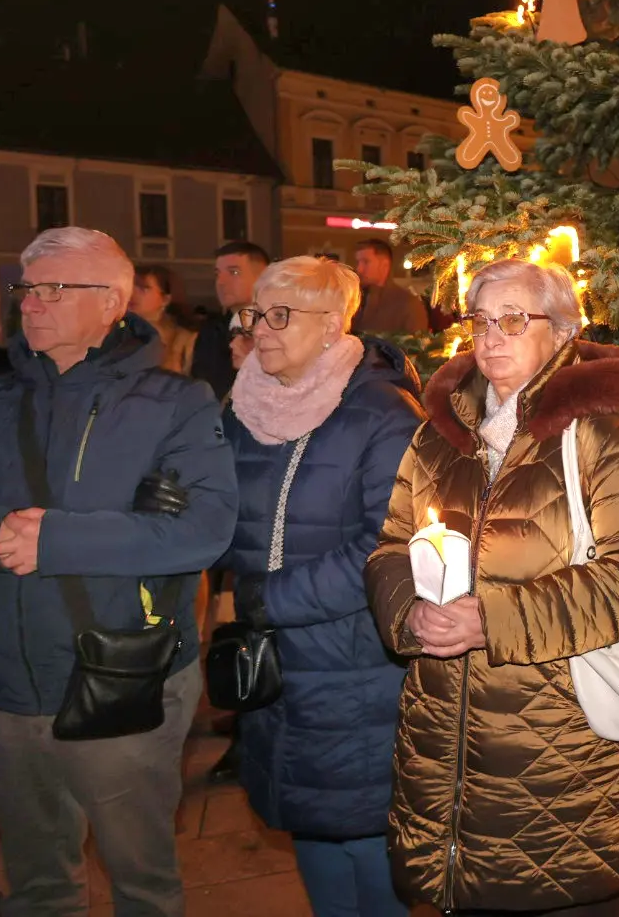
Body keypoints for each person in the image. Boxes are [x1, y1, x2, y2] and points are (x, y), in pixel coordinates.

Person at [0, 226, 240, 917]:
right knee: (38, 886)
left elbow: (204, 530)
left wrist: (54, 540)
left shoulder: (176, 403)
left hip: (117, 682)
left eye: (56, 288)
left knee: (142, 885)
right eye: (27, 288)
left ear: (112, 303)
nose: (31, 302)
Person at [364, 257, 619, 915]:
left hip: (563, 758)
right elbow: (390, 544)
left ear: (562, 332)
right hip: (442, 750)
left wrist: (493, 620)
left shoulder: (601, 436)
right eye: (481, 320)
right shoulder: (439, 436)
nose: (491, 336)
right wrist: (408, 613)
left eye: (513, 320)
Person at [223, 256, 422, 916]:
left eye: (281, 315)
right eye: (255, 314)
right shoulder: (243, 406)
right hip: (277, 665)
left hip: (355, 664)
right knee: (308, 821)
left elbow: (387, 547)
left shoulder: (382, 414)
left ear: (334, 325)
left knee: (364, 832)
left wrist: (266, 600)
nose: (261, 329)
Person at [191, 240, 270, 401]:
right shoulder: (210, 332)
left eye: (234, 272)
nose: (221, 282)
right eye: (217, 274)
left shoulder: (280, 329)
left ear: (262, 278)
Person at [353, 238, 431, 335]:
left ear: (384, 265)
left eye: (366, 262)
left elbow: (417, 342)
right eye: (358, 262)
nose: (359, 269)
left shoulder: (408, 303)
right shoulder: (354, 299)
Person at [130, 264, 196, 374]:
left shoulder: (185, 340)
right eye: (130, 287)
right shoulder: (118, 332)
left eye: (143, 289)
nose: (133, 294)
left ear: (165, 299)